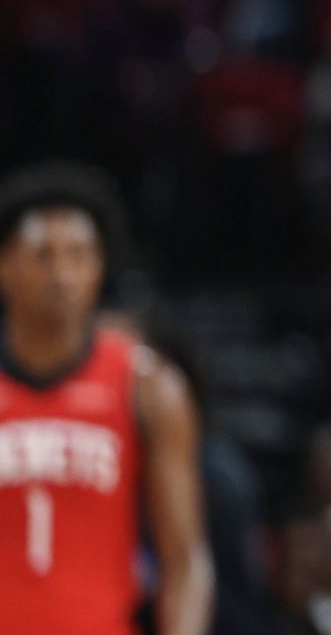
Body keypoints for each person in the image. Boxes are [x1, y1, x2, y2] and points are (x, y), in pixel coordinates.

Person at [0, 162, 214, 635]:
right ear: (4, 265)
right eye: (43, 255)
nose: (61, 274)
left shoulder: (148, 384)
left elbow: (186, 559)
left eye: (79, 255)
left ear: (99, 268)